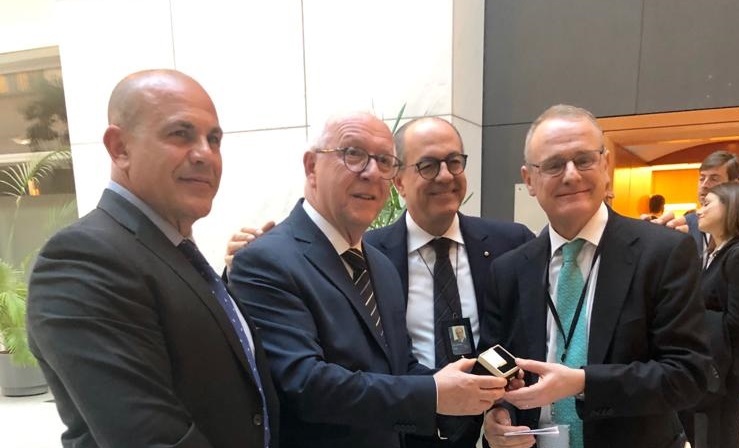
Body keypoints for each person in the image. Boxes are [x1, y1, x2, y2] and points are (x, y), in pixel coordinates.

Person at [26, 69, 279, 448]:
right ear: (120, 148)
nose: (205, 155)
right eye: (180, 134)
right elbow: (152, 439)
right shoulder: (81, 260)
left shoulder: (172, 251)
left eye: (214, 139)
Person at [227, 112, 508, 448]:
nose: (372, 172)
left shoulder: (380, 265)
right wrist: (433, 393)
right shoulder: (265, 260)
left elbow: (398, 367)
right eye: (353, 154)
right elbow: (304, 384)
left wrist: (471, 388)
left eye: (384, 161)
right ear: (311, 167)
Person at [480, 104, 711, 448]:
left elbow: (688, 375)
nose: (571, 175)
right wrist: (496, 413)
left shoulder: (663, 253)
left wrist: (583, 383)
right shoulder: (508, 270)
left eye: (584, 160)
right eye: (554, 165)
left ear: (605, 166)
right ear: (529, 180)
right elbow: (495, 366)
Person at [363, 117, 535, 447]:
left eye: (454, 162)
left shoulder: (512, 244)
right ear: (398, 181)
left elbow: (530, 337)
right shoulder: (368, 255)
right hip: (404, 434)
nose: (445, 175)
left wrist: (504, 410)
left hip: (491, 435)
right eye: (428, 165)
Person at [678, 182, 739, 448]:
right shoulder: (715, 253)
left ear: (730, 208)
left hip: (725, 375)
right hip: (714, 370)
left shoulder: (735, 255)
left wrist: (690, 314)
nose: (699, 212)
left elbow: (735, 321)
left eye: (707, 204)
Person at [655, 150, 739, 258]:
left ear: (734, 185)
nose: (704, 185)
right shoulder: (686, 224)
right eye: (702, 178)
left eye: (714, 179)